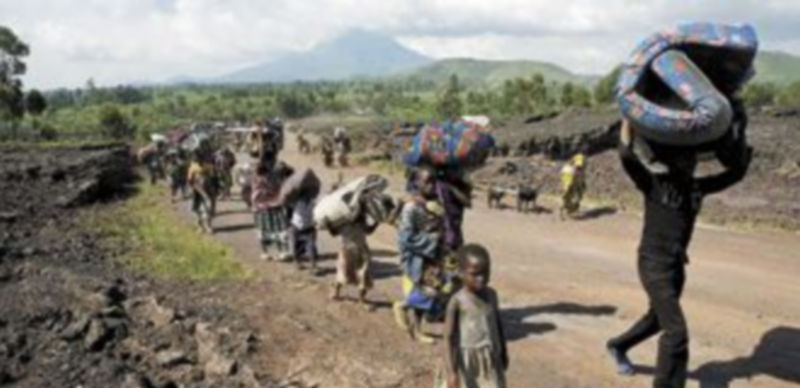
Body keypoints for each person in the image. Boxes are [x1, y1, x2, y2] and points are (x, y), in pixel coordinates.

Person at [606, 120, 751, 388]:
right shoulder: (654, 183)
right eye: (682, 159)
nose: (688, 164)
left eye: (691, 161)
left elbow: (736, 173)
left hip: (676, 265)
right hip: (653, 263)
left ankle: (617, 345)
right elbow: (627, 156)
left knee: (656, 321)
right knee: (676, 333)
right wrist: (628, 119)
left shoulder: (697, 188)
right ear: (671, 161)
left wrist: (739, 134)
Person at [436, 244, 508, 388]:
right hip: (465, 362)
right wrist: (452, 372)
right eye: (475, 274)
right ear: (461, 273)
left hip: (489, 360)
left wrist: (503, 351)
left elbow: (498, 324)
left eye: (485, 272)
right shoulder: (457, 301)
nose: (481, 278)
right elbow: (448, 338)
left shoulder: (492, 295)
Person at [395, 168, 446, 344]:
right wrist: (431, 240)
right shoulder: (411, 207)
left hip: (433, 256)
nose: (431, 185)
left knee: (433, 290)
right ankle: (403, 307)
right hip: (419, 257)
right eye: (427, 181)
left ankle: (417, 329)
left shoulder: (433, 203)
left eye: (433, 181)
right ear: (417, 182)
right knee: (427, 291)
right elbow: (405, 237)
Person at [328, 202, 380, 309]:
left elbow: (369, 231)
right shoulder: (343, 222)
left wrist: (376, 223)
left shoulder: (361, 222)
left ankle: (361, 299)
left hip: (361, 250)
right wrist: (329, 224)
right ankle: (336, 291)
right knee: (342, 273)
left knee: (363, 274)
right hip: (346, 250)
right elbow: (333, 232)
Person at [251, 162, 294, 261]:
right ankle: (267, 252)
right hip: (263, 209)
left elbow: (280, 190)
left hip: (273, 207)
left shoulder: (273, 178)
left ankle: (281, 252)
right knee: (266, 231)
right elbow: (256, 195)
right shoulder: (256, 180)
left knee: (279, 230)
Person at [287, 189, 319, 272]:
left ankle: (311, 265)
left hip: (304, 227)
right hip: (300, 227)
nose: (306, 198)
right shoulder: (299, 202)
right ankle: (300, 263)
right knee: (299, 247)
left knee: (309, 247)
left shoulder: (310, 203)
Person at [187, 149, 217, 234]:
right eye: (196, 157)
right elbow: (190, 181)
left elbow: (213, 179)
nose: (198, 159)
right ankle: (200, 226)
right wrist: (196, 188)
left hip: (208, 190)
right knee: (197, 210)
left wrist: (213, 190)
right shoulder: (193, 167)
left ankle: (208, 226)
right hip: (196, 191)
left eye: (200, 157)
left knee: (208, 209)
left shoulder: (208, 166)